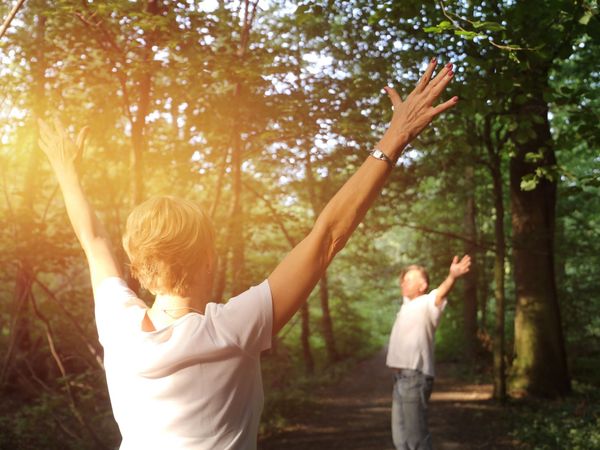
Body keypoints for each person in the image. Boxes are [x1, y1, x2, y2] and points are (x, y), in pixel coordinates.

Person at [37, 57, 457, 450]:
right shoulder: (233, 329)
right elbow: (327, 235)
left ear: (140, 270)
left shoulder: (118, 323)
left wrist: (64, 169)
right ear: (209, 259)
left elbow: (93, 240)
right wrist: (394, 138)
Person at [386, 255, 472, 450]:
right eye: (403, 280)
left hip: (414, 377)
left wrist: (452, 276)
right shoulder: (406, 306)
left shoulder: (427, 303)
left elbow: (440, 292)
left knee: (416, 438)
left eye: (409, 280)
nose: (403, 283)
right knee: (400, 439)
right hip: (399, 379)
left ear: (422, 285)